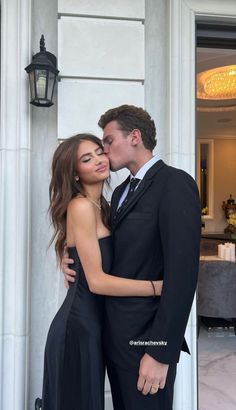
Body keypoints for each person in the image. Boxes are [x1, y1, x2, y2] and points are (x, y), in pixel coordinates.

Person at [63, 105, 201, 410]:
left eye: (109, 141)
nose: (104, 151)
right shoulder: (120, 191)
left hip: (147, 343)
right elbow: (108, 249)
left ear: (134, 137)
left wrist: (160, 352)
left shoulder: (174, 184)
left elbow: (183, 275)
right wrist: (69, 253)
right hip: (114, 338)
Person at [39, 133, 163, 410]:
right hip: (78, 327)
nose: (98, 160)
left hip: (97, 325)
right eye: (86, 158)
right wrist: (157, 287)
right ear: (73, 174)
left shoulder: (106, 205)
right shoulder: (81, 206)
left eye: (99, 152)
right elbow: (96, 282)